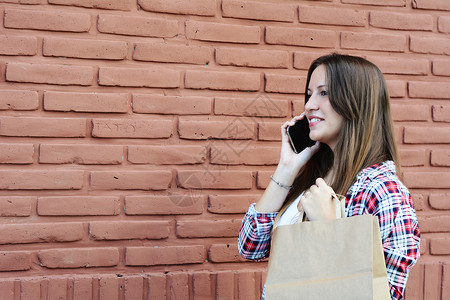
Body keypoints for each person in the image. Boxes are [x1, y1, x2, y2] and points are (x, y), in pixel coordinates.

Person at [238, 53, 420, 299]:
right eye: (309, 94)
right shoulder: (313, 176)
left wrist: (328, 226)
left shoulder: (383, 190)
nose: (309, 104)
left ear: (356, 102)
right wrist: (287, 168)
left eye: (324, 93)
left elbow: (384, 293)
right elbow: (251, 246)